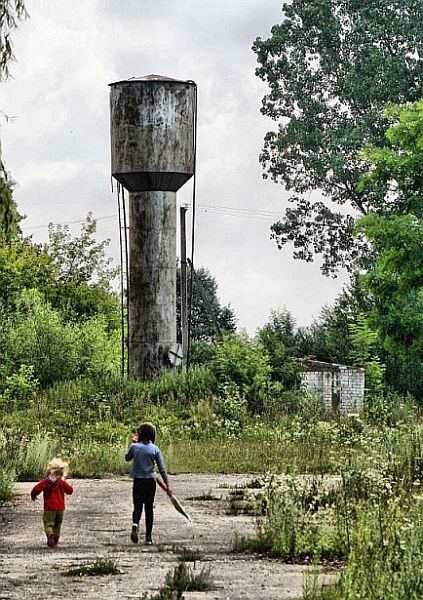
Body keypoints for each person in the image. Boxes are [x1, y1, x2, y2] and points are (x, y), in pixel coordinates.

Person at [125, 422, 172, 545]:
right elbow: (161, 469)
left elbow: (127, 458)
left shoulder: (135, 447)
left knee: (137, 506)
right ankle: (148, 537)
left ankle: (135, 524)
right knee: (149, 508)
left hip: (138, 481)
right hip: (150, 482)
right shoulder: (155, 449)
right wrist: (167, 485)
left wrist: (133, 444)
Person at [30, 458, 74, 547]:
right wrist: (64, 482)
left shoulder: (45, 482)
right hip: (60, 508)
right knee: (57, 524)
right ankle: (56, 540)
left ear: (49, 470)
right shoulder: (61, 482)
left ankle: (50, 535)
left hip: (49, 508)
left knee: (48, 523)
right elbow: (70, 491)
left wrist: (33, 495)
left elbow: (36, 489)